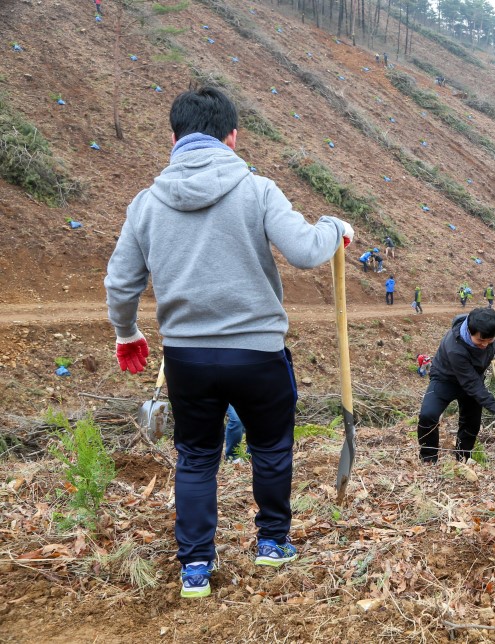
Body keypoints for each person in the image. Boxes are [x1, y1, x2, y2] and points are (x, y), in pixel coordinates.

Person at [104, 86, 354, 599]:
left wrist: (127, 333)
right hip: (257, 353)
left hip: (186, 358)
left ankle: (195, 565)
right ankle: (271, 543)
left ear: (173, 138)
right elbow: (307, 250)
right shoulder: (257, 190)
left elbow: (120, 283)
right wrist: (336, 227)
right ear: (232, 138)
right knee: (270, 447)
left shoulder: (146, 204)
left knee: (195, 455)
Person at [416, 307, 495, 463]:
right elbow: (471, 383)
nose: (485, 345)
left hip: (474, 376)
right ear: (469, 331)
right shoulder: (455, 348)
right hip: (445, 378)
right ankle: (428, 459)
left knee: (471, 423)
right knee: (428, 415)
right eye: (481, 340)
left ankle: (463, 459)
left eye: (490, 341)